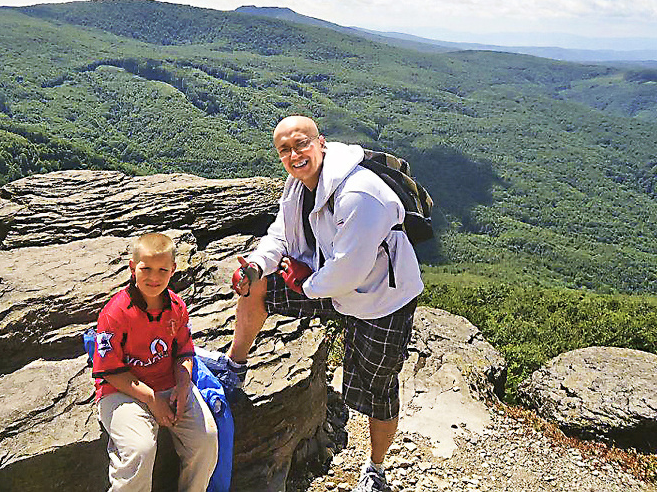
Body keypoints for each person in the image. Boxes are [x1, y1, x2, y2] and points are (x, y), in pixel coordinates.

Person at [215, 116, 423, 492]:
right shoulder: (298, 185)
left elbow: (350, 270)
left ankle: (376, 468)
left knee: (378, 388)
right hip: (325, 280)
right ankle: (235, 365)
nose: (294, 155)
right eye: (285, 150)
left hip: (380, 299)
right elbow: (281, 232)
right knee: (256, 289)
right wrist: (257, 267)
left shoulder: (359, 194)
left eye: (301, 144)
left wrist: (304, 284)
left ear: (321, 143)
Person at [93, 232, 219, 492]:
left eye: (162, 270)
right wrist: (152, 399)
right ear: (132, 267)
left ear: (173, 270)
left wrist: (183, 388)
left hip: (169, 384)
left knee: (206, 440)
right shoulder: (115, 313)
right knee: (140, 450)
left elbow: (184, 353)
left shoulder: (176, 306)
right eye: (146, 268)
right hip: (123, 391)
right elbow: (109, 370)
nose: (154, 277)